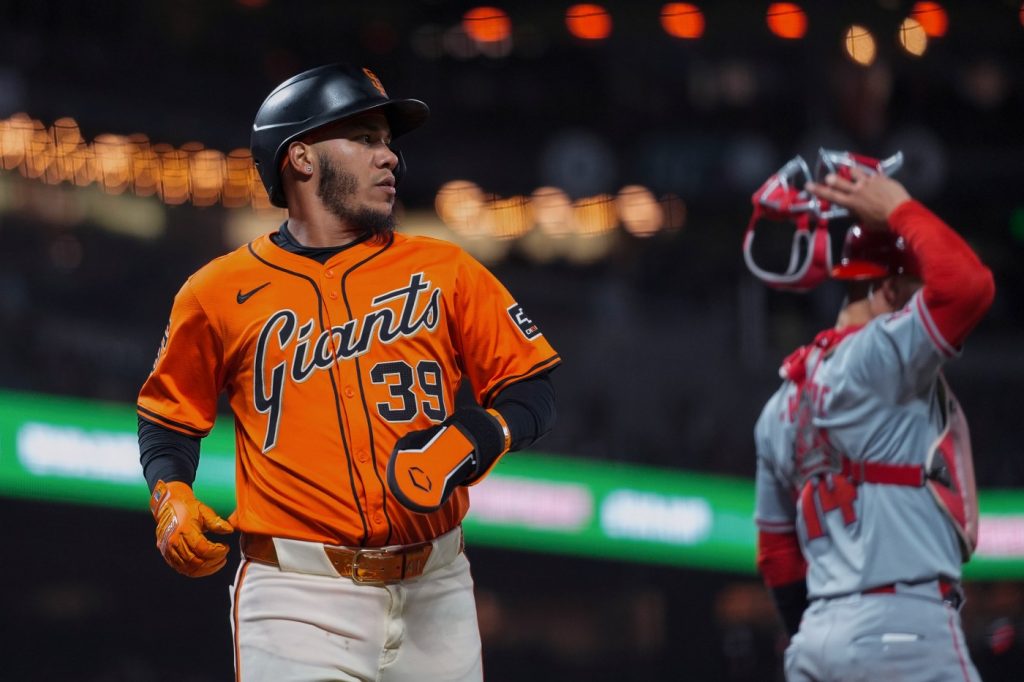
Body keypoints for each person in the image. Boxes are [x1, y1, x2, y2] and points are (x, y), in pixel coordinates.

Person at [137, 63, 560, 681]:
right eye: (364, 139)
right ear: (300, 157)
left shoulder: (446, 269)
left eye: (388, 142)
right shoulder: (217, 291)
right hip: (296, 595)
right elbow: (167, 418)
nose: (389, 158)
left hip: (437, 585)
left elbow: (532, 387)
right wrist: (169, 495)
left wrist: (480, 435)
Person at [751, 160, 995, 681]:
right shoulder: (881, 357)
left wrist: (829, 641)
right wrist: (899, 208)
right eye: (914, 287)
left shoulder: (779, 405)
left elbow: (777, 557)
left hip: (816, 642)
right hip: (904, 630)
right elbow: (968, 286)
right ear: (889, 288)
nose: (920, 303)